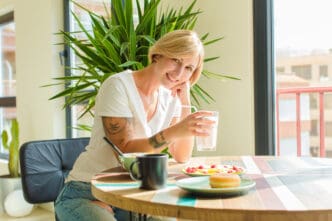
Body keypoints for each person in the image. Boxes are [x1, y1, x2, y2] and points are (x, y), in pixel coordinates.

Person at [55, 29, 216, 221]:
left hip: (133, 195)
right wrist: (177, 130)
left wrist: (184, 100)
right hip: (86, 190)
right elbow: (126, 149)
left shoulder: (170, 97)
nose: (180, 73)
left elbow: (181, 155)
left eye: (189, 68)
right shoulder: (118, 85)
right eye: (176, 60)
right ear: (158, 54)